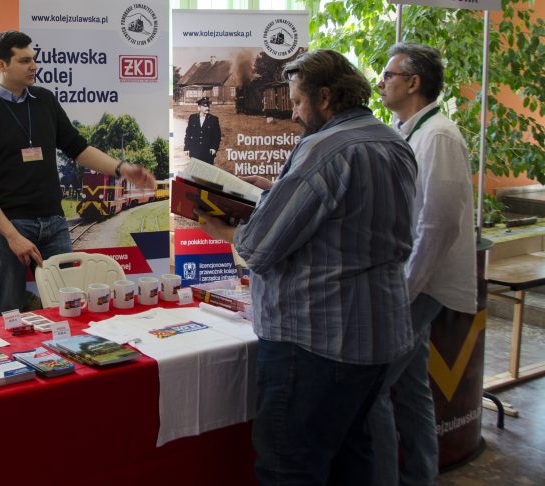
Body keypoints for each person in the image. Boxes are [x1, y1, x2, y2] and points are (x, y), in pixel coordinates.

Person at [196, 49, 417, 486]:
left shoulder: (322, 150)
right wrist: (278, 191)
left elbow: (259, 248)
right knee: (353, 458)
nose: (294, 114)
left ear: (326, 97)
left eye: (297, 102)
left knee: (289, 466)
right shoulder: (393, 142)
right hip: (379, 333)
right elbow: (351, 223)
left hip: (315, 341)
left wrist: (222, 230)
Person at [0, 31, 156, 313]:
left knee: (68, 305)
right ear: (1, 65)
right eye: (25, 60)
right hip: (11, 226)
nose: (34, 66)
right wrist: (11, 236)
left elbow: (77, 147)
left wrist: (122, 169)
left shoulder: (45, 101)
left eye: (34, 59)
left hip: (54, 222)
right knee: (10, 310)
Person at [367, 43, 477, 485]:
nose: (380, 81)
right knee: (411, 391)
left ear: (413, 83)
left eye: (389, 75)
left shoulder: (440, 137)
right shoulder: (407, 130)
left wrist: (404, 291)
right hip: (409, 280)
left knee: (371, 391)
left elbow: (438, 224)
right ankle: (419, 477)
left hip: (419, 285)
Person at [184, 97, 222, 164]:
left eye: (208, 106)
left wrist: (214, 147)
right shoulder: (192, 118)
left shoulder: (213, 119)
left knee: (207, 173)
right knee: (195, 172)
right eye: (204, 106)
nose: (207, 108)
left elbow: (217, 136)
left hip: (208, 152)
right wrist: (186, 147)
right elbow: (188, 134)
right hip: (194, 151)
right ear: (199, 108)